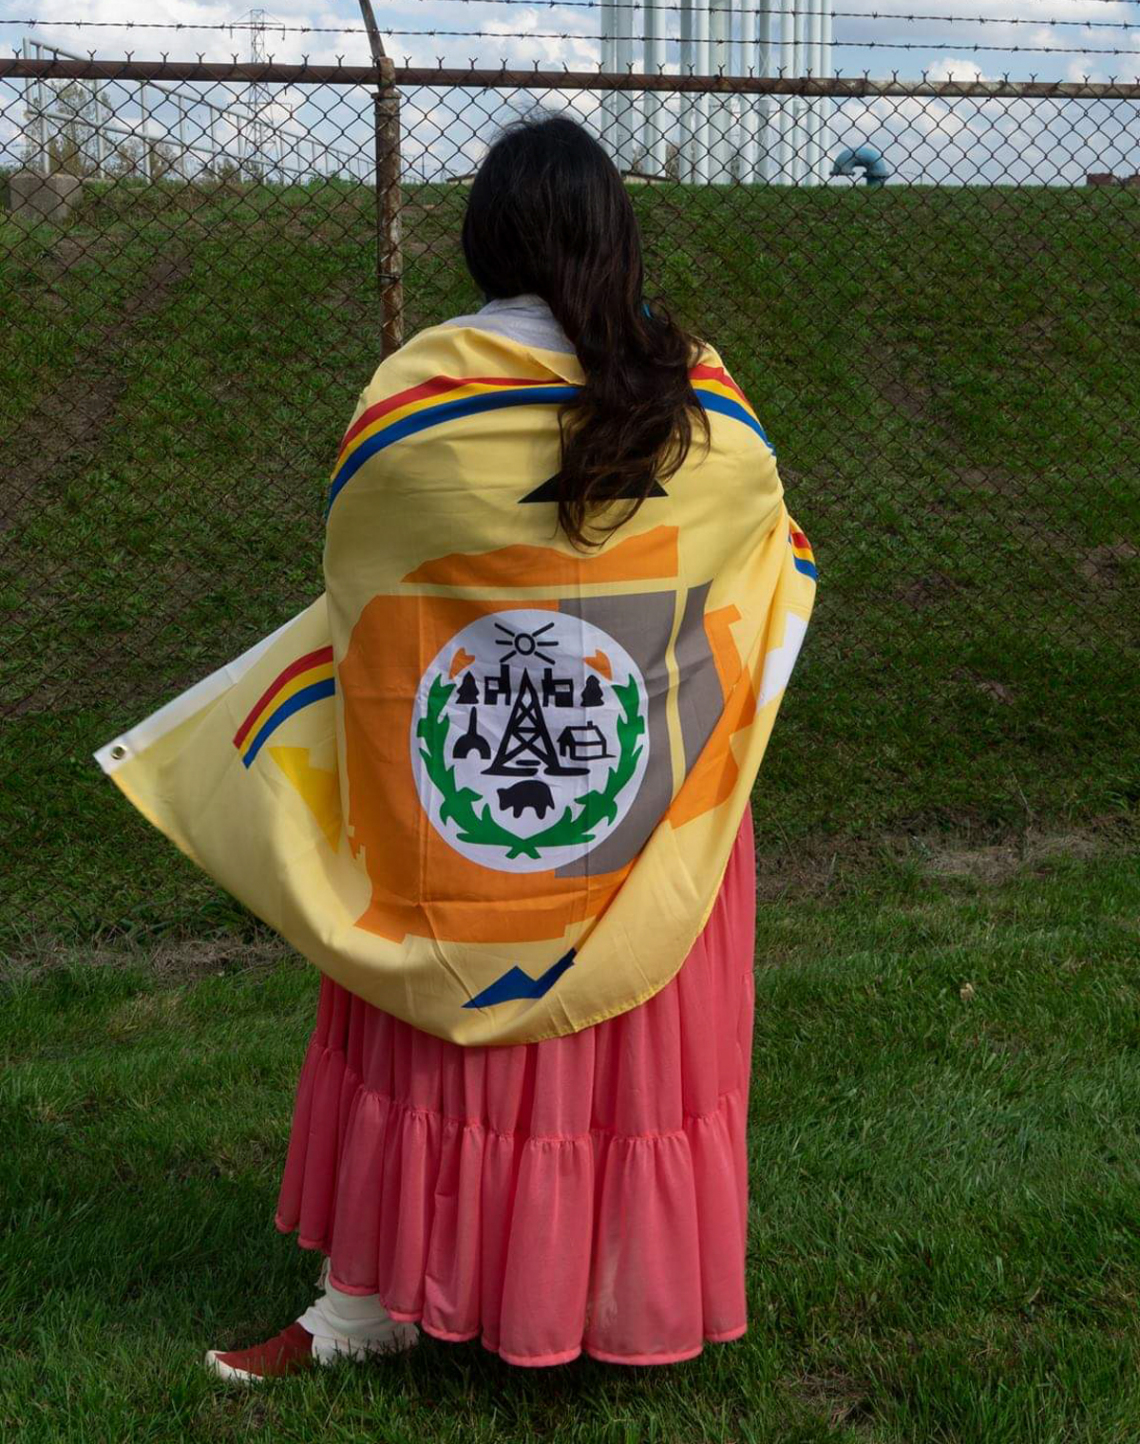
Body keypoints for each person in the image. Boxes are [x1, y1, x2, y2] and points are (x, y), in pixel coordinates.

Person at [99, 113, 815, 1377]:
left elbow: (363, 570)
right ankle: (591, 1290)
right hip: (644, 801)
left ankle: (370, 1298)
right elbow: (759, 544)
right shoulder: (702, 398)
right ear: (617, 236)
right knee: (610, 1046)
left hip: (456, 784)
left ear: (485, 238)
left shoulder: (416, 399)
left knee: (444, 1011)